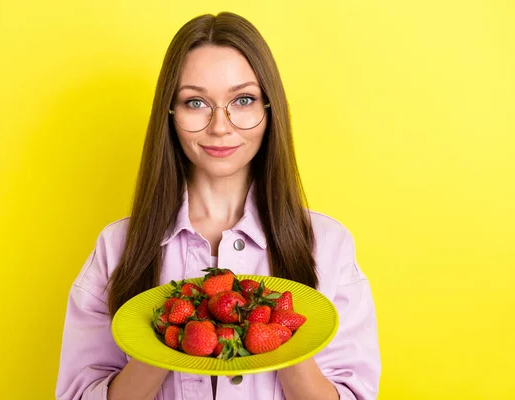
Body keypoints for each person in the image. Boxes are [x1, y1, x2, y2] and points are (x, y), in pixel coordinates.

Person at [55, 11, 381, 400]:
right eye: (196, 102)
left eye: (243, 99)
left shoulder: (327, 246)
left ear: (269, 109)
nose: (220, 126)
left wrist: (280, 329)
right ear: (170, 114)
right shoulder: (118, 247)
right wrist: (161, 336)